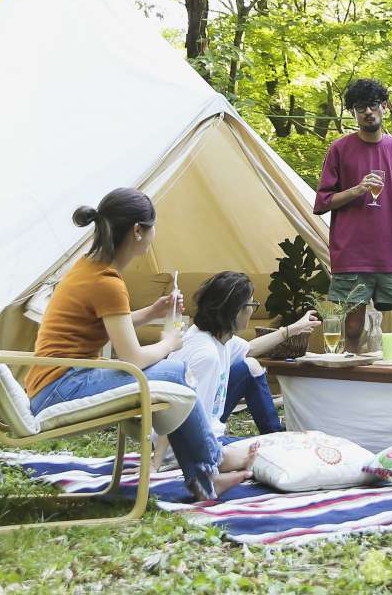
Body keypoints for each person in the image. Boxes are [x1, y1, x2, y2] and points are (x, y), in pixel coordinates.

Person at [24, 188, 248, 500]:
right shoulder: (107, 283)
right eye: (153, 226)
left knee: (175, 376)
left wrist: (153, 311)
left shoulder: (89, 267)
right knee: (177, 372)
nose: (155, 233)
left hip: (53, 382)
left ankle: (206, 474)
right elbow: (133, 359)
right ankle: (210, 467)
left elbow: (110, 322)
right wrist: (169, 342)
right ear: (138, 231)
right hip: (62, 386)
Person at [313, 78, 392, 350]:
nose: (367, 112)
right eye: (360, 107)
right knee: (352, 329)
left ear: (384, 106)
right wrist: (357, 190)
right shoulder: (339, 149)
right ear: (353, 113)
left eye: (373, 105)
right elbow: (323, 201)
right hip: (353, 257)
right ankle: (353, 387)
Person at [182, 271, 320, 444]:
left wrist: (293, 328)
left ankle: (274, 434)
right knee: (271, 449)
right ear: (236, 310)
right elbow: (190, 423)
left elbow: (250, 349)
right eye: (252, 304)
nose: (253, 310)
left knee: (251, 366)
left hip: (206, 431)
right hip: (198, 444)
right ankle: (275, 440)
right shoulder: (206, 356)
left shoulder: (217, 337)